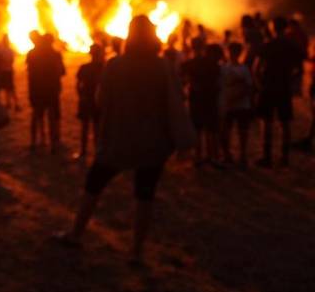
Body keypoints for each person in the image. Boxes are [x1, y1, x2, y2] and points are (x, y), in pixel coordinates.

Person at [54, 16, 195, 265]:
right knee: (145, 194)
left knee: (94, 184)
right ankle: (137, 252)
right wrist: (183, 142)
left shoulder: (115, 65)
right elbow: (175, 104)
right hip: (152, 143)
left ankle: (76, 234)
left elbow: (101, 100)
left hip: (118, 139)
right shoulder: (162, 67)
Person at [255, 17, 307, 168]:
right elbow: (300, 69)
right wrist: (290, 80)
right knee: (285, 123)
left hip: (268, 87)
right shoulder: (292, 46)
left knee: (267, 122)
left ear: (273, 28)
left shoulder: (268, 45)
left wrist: (259, 85)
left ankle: (267, 157)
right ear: (285, 28)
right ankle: (284, 158)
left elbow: (256, 68)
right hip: (284, 87)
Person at [182, 39, 223, 168]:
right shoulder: (212, 63)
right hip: (210, 99)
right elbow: (218, 81)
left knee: (198, 130)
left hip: (196, 100)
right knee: (211, 130)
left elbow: (183, 80)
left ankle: (198, 156)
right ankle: (213, 157)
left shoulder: (188, 64)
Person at [26, 32, 66, 153]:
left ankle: (36, 141)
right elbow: (62, 71)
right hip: (52, 89)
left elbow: (30, 73)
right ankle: (54, 143)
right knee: (52, 116)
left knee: (37, 115)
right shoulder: (55, 54)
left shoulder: (32, 54)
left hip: (37, 89)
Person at [221, 42, 254, 168]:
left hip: (238, 104)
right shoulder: (227, 68)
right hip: (234, 104)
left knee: (239, 131)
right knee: (231, 131)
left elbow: (249, 87)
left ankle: (240, 156)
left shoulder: (240, 69)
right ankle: (231, 155)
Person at [75, 44, 105, 161]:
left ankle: (84, 151)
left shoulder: (85, 67)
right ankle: (96, 153)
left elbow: (78, 84)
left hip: (88, 100)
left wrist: (81, 96)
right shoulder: (104, 68)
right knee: (96, 128)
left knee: (86, 127)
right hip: (94, 101)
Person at [0, 35, 19, 111]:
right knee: (10, 88)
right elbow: (12, 60)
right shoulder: (10, 51)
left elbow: (0, 60)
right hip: (9, 70)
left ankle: (13, 104)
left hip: (5, 71)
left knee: (9, 88)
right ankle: (11, 103)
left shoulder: (1, 51)